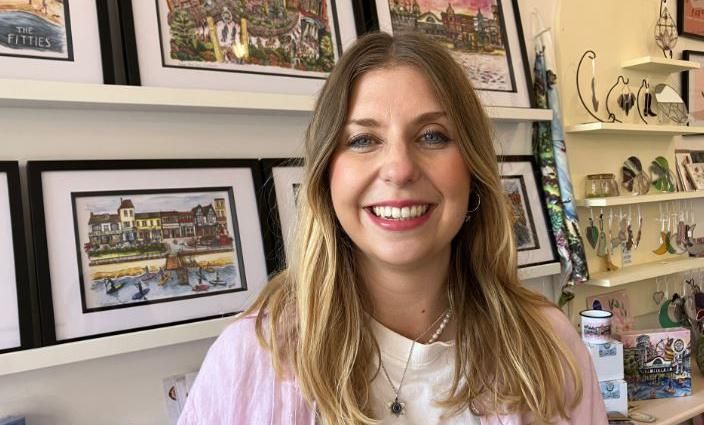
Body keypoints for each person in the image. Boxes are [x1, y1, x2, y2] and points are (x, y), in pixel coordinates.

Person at [178, 32, 607, 425]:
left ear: (473, 170)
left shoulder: (550, 347)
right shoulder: (248, 359)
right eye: (363, 140)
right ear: (327, 175)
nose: (400, 169)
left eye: (433, 136)